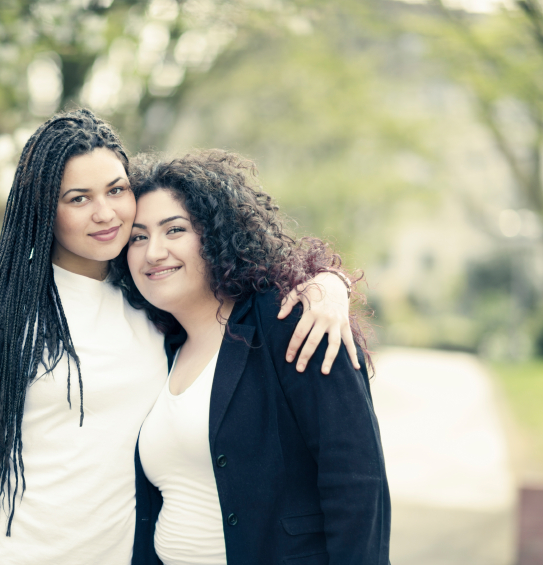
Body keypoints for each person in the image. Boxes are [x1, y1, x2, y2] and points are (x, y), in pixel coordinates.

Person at [0, 110, 356, 565]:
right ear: (43, 208)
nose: (105, 213)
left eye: (116, 190)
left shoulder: (150, 299)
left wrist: (330, 284)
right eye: (78, 198)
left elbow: (248, 279)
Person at [121, 150, 391, 565]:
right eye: (138, 237)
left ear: (214, 234)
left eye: (174, 230)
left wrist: (332, 281)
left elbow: (356, 480)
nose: (153, 252)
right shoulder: (160, 345)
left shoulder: (289, 319)